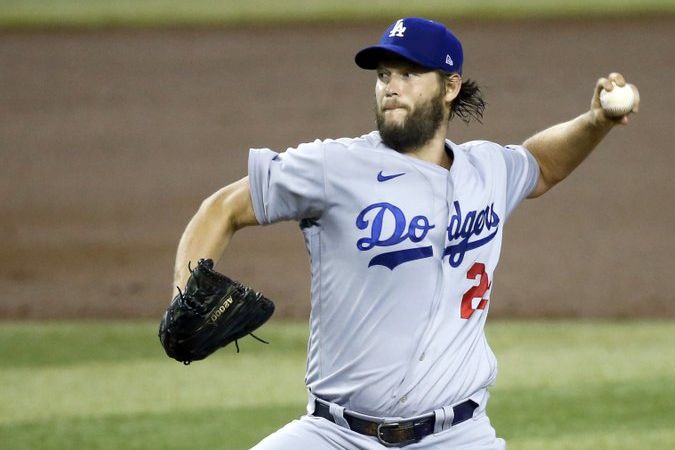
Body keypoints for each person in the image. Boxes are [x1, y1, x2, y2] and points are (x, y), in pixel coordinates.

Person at [172, 17, 639, 450]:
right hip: (335, 435)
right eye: (383, 76)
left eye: (408, 73)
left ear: (450, 86)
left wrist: (596, 122)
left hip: (457, 435)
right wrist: (181, 298)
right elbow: (222, 208)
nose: (391, 87)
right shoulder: (334, 166)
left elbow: (541, 165)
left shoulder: (487, 170)